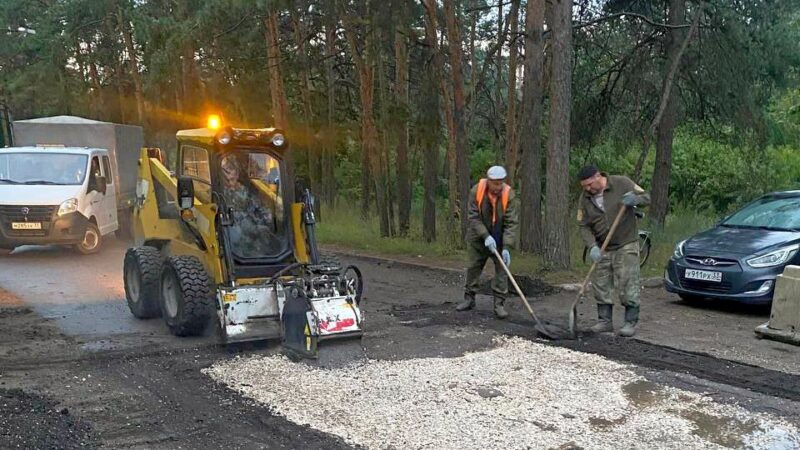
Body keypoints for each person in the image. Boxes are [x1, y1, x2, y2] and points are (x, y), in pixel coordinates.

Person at [577, 165, 650, 337]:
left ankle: (630, 322)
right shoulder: (585, 198)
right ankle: (605, 321)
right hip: (603, 247)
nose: (587, 189)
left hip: (626, 243)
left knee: (627, 282)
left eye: (589, 185)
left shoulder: (621, 183)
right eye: (584, 187)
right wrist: (592, 246)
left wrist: (635, 199)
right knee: (601, 284)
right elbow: (583, 226)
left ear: (597, 177)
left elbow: (647, 197)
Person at [456, 165, 519, 319]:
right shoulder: (476, 191)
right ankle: (469, 299)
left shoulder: (508, 194)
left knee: (502, 270)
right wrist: (485, 235)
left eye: (501, 183)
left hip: (499, 236)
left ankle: (499, 304)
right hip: (478, 236)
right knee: (473, 267)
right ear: (489, 181)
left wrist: (507, 246)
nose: (498, 187)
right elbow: (473, 217)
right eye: (495, 183)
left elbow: (511, 223)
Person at [219, 154, 277, 257]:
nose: (230, 184)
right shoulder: (219, 193)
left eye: (232, 179)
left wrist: (267, 220)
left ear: (237, 175)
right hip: (231, 237)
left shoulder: (246, 193)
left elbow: (260, 209)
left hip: (250, 236)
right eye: (227, 180)